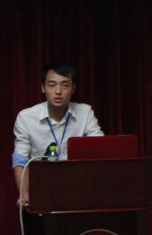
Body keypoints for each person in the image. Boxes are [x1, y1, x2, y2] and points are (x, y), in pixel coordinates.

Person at [12, 61, 104, 208]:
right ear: (43, 88)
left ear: (73, 88)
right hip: (42, 188)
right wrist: (25, 193)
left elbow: (101, 148)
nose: (58, 91)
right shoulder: (26, 117)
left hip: (78, 187)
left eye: (65, 85)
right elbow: (20, 160)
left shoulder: (85, 112)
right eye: (52, 85)